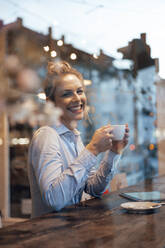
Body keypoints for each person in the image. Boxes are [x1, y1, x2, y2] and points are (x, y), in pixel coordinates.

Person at [28, 61, 129, 218]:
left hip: (75, 232)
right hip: (50, 238)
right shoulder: (46, 136)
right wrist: (92, 149)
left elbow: (93, 188)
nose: (77, 98)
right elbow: (54, 200)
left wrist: (114, 152)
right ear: (50, 103)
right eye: (67, 94)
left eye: (79, 91)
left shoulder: (74, 137)